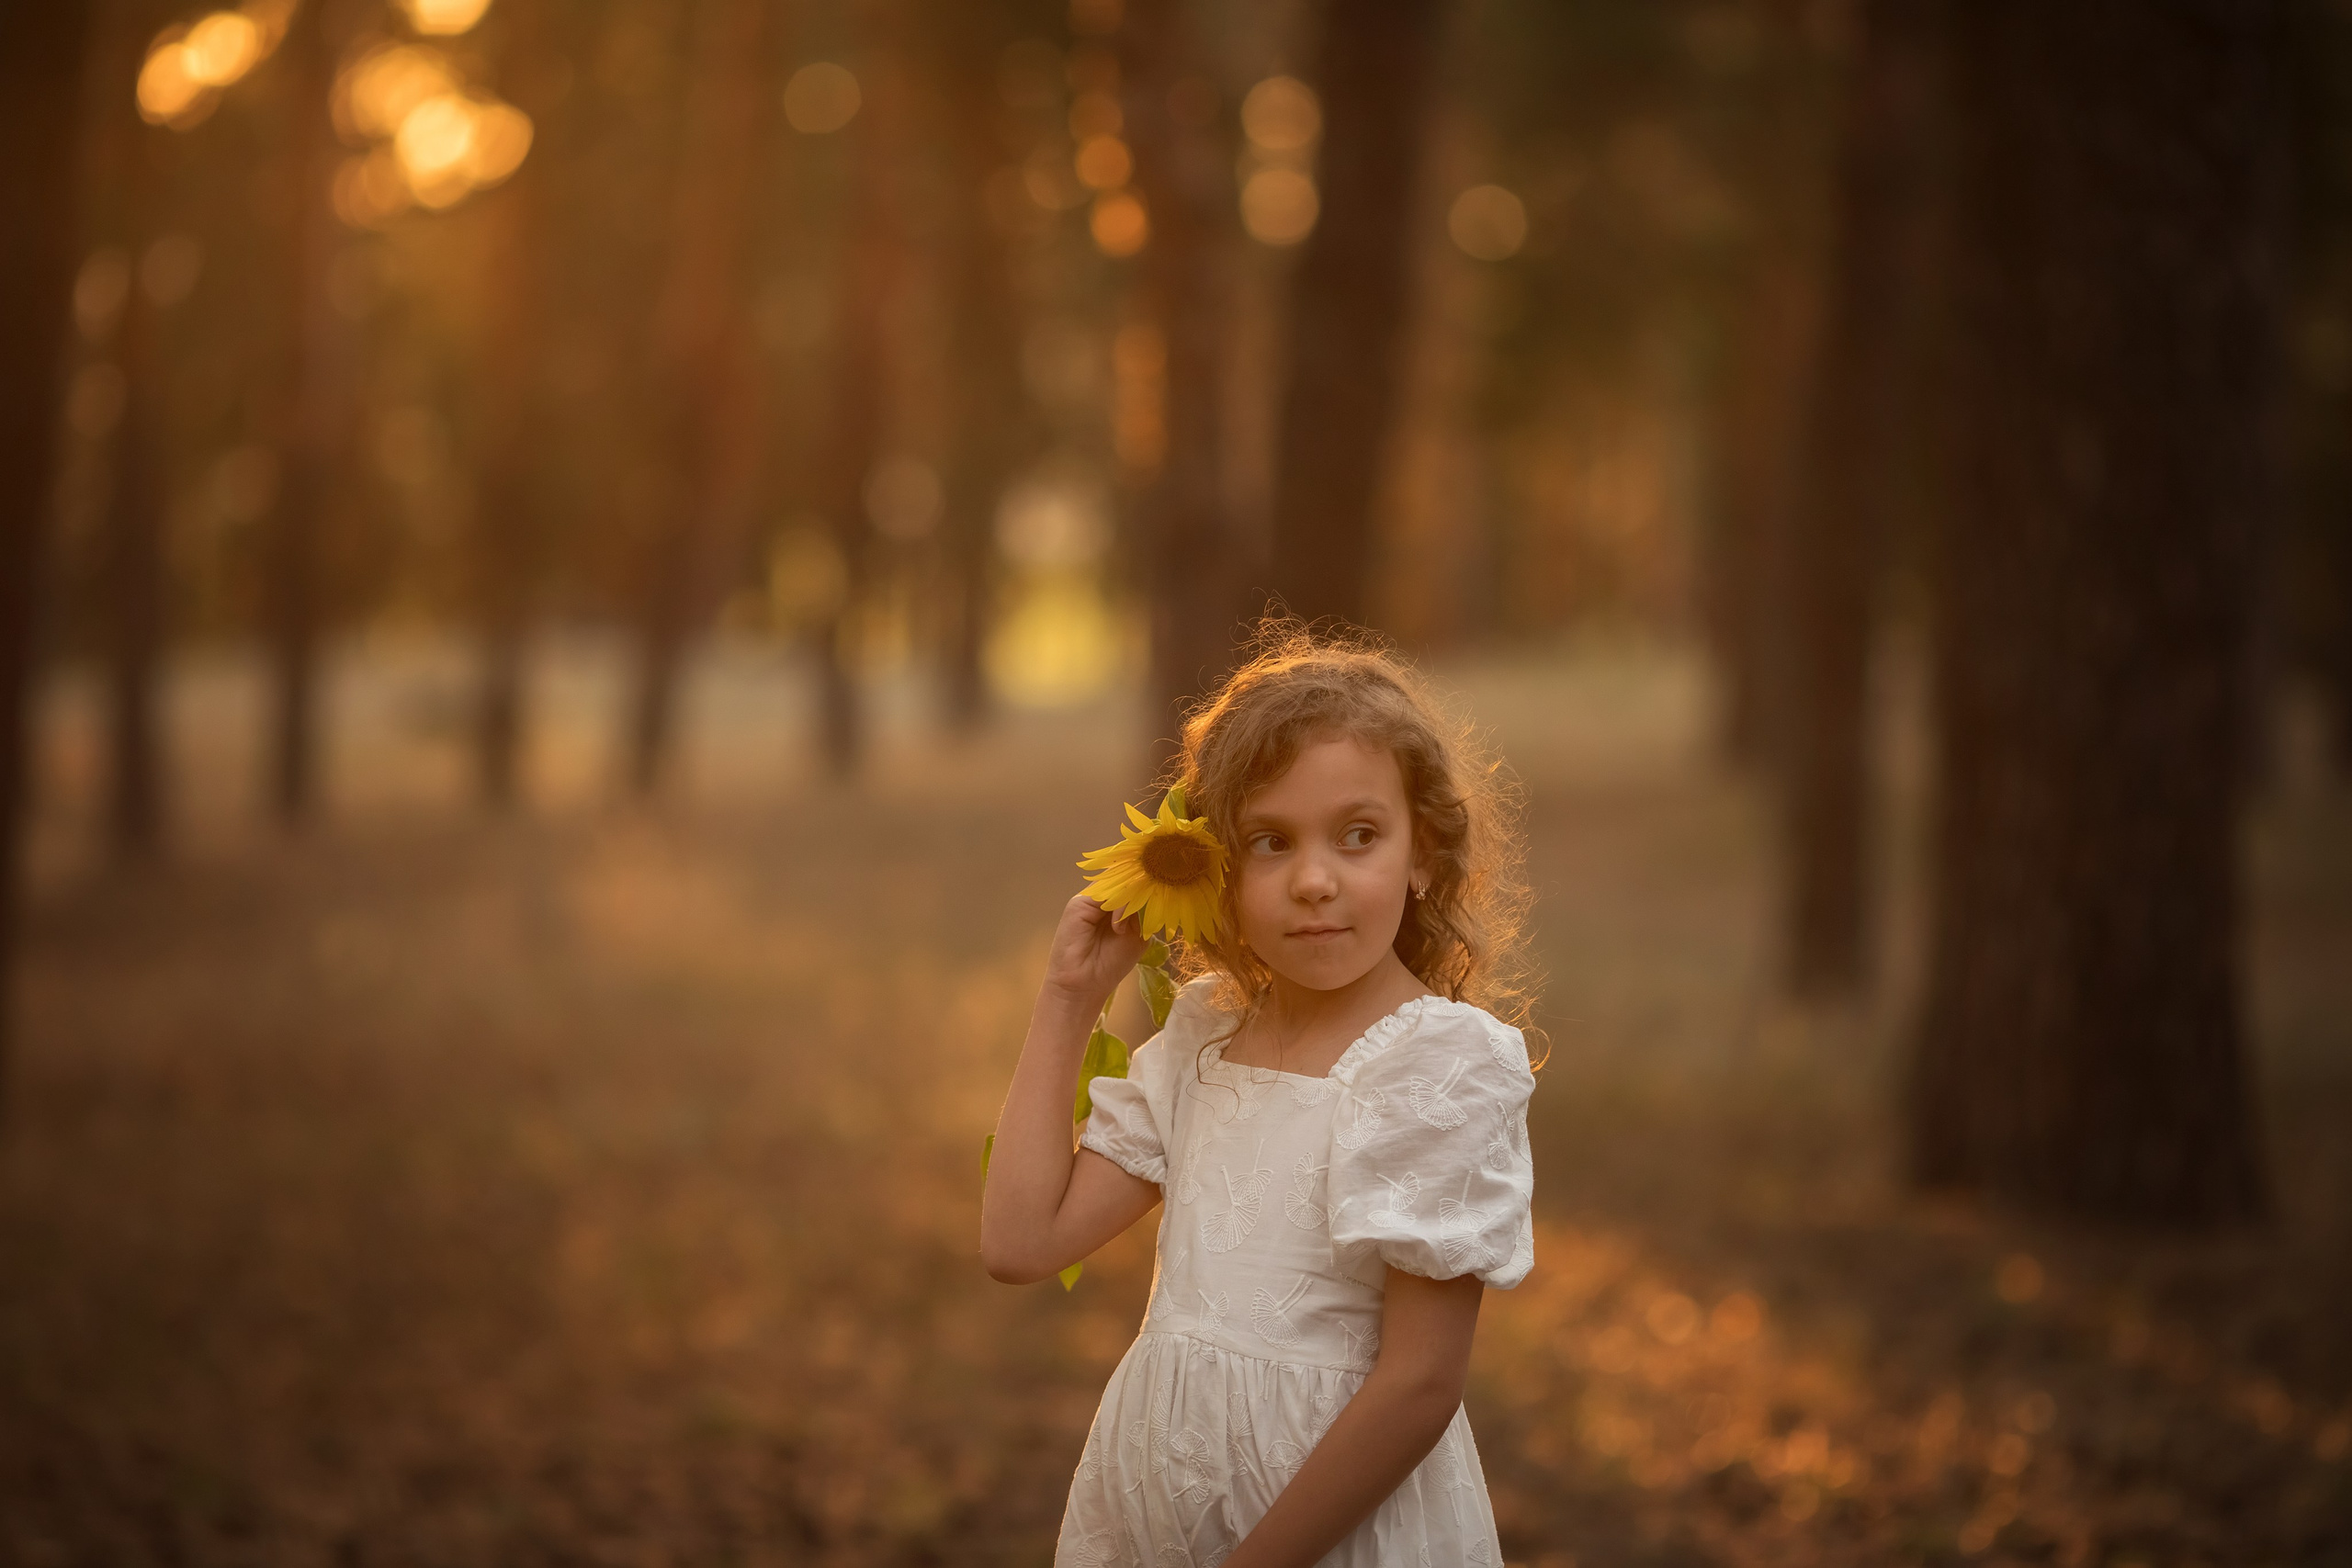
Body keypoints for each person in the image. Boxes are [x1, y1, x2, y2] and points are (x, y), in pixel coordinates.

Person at [981, 624, 1539, 1567]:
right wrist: (1068, 999)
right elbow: (1019, 1243)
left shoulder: (1440, 1063)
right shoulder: (1205, 1031)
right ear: (1220, 873)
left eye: (1358, 836)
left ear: (1424, 854)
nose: (1315, 880)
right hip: (1157, 1527)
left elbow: (1418, 1386)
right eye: (1270, 842)